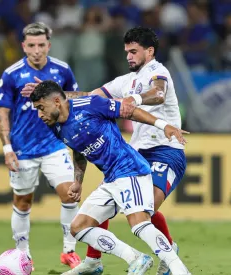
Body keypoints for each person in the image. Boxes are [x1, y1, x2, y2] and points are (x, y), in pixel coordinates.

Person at [22, 26, 185, 275]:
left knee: (145, 208)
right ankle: (95, 260)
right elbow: (90, 98)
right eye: (126, 52)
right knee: (112, 201)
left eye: (134, 51)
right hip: (138, 151)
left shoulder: (157, 71)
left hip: (166, 149)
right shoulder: (124, 81)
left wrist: (135, 101)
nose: (128, 56)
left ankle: (170, 254)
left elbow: (158, 94)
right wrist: (51, 93)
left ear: (149, 51)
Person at [0, 22, 81, 269]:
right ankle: (23, 256)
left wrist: (47, 92)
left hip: (55, 144)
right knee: (23, 202)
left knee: (70, 194)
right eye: (31, 45)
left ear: (48, 45)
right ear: (23, 46)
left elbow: (76, 99)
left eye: (41, 45)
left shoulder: (62, 70)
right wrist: (7, 148)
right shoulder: (11, 74)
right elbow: (2, 113)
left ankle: (69, 250)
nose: (36, 50)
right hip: (22, 149)